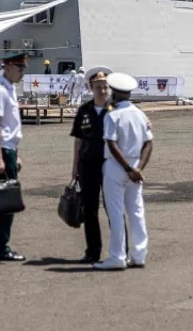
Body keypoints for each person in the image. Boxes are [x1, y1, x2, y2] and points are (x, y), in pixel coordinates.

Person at [93, 72, 153, 270]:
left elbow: (111, 143)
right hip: (136, 166)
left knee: (117, 213)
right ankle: (139, 255)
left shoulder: (113, 115)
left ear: (115, 94)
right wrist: (138, 169)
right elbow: (148, 144)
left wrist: (127, 168)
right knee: (136, 211)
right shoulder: (140, 114)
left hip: (116, 167)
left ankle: (117, 257)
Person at [0, 52, 28, 261]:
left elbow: (9, 127)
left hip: (8, 148)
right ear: (8, 67)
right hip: (2, 149)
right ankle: (0, 248)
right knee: (7, 200)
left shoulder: (9, 89)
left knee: (4, 198)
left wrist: (14, 154)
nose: (22, 73)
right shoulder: (0, 91)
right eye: (20, 68)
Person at [70, 65, 113, 263]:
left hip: (111, 166)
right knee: (90, 209)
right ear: (90, 88)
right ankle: (92, 251)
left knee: (113, 208)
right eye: (98, 87)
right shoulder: (84, 111)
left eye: (105, 86)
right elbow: (78, 140)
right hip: (87, 166)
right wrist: (74, 167)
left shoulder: (116, 110)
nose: (102, 90)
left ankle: (120, 249)